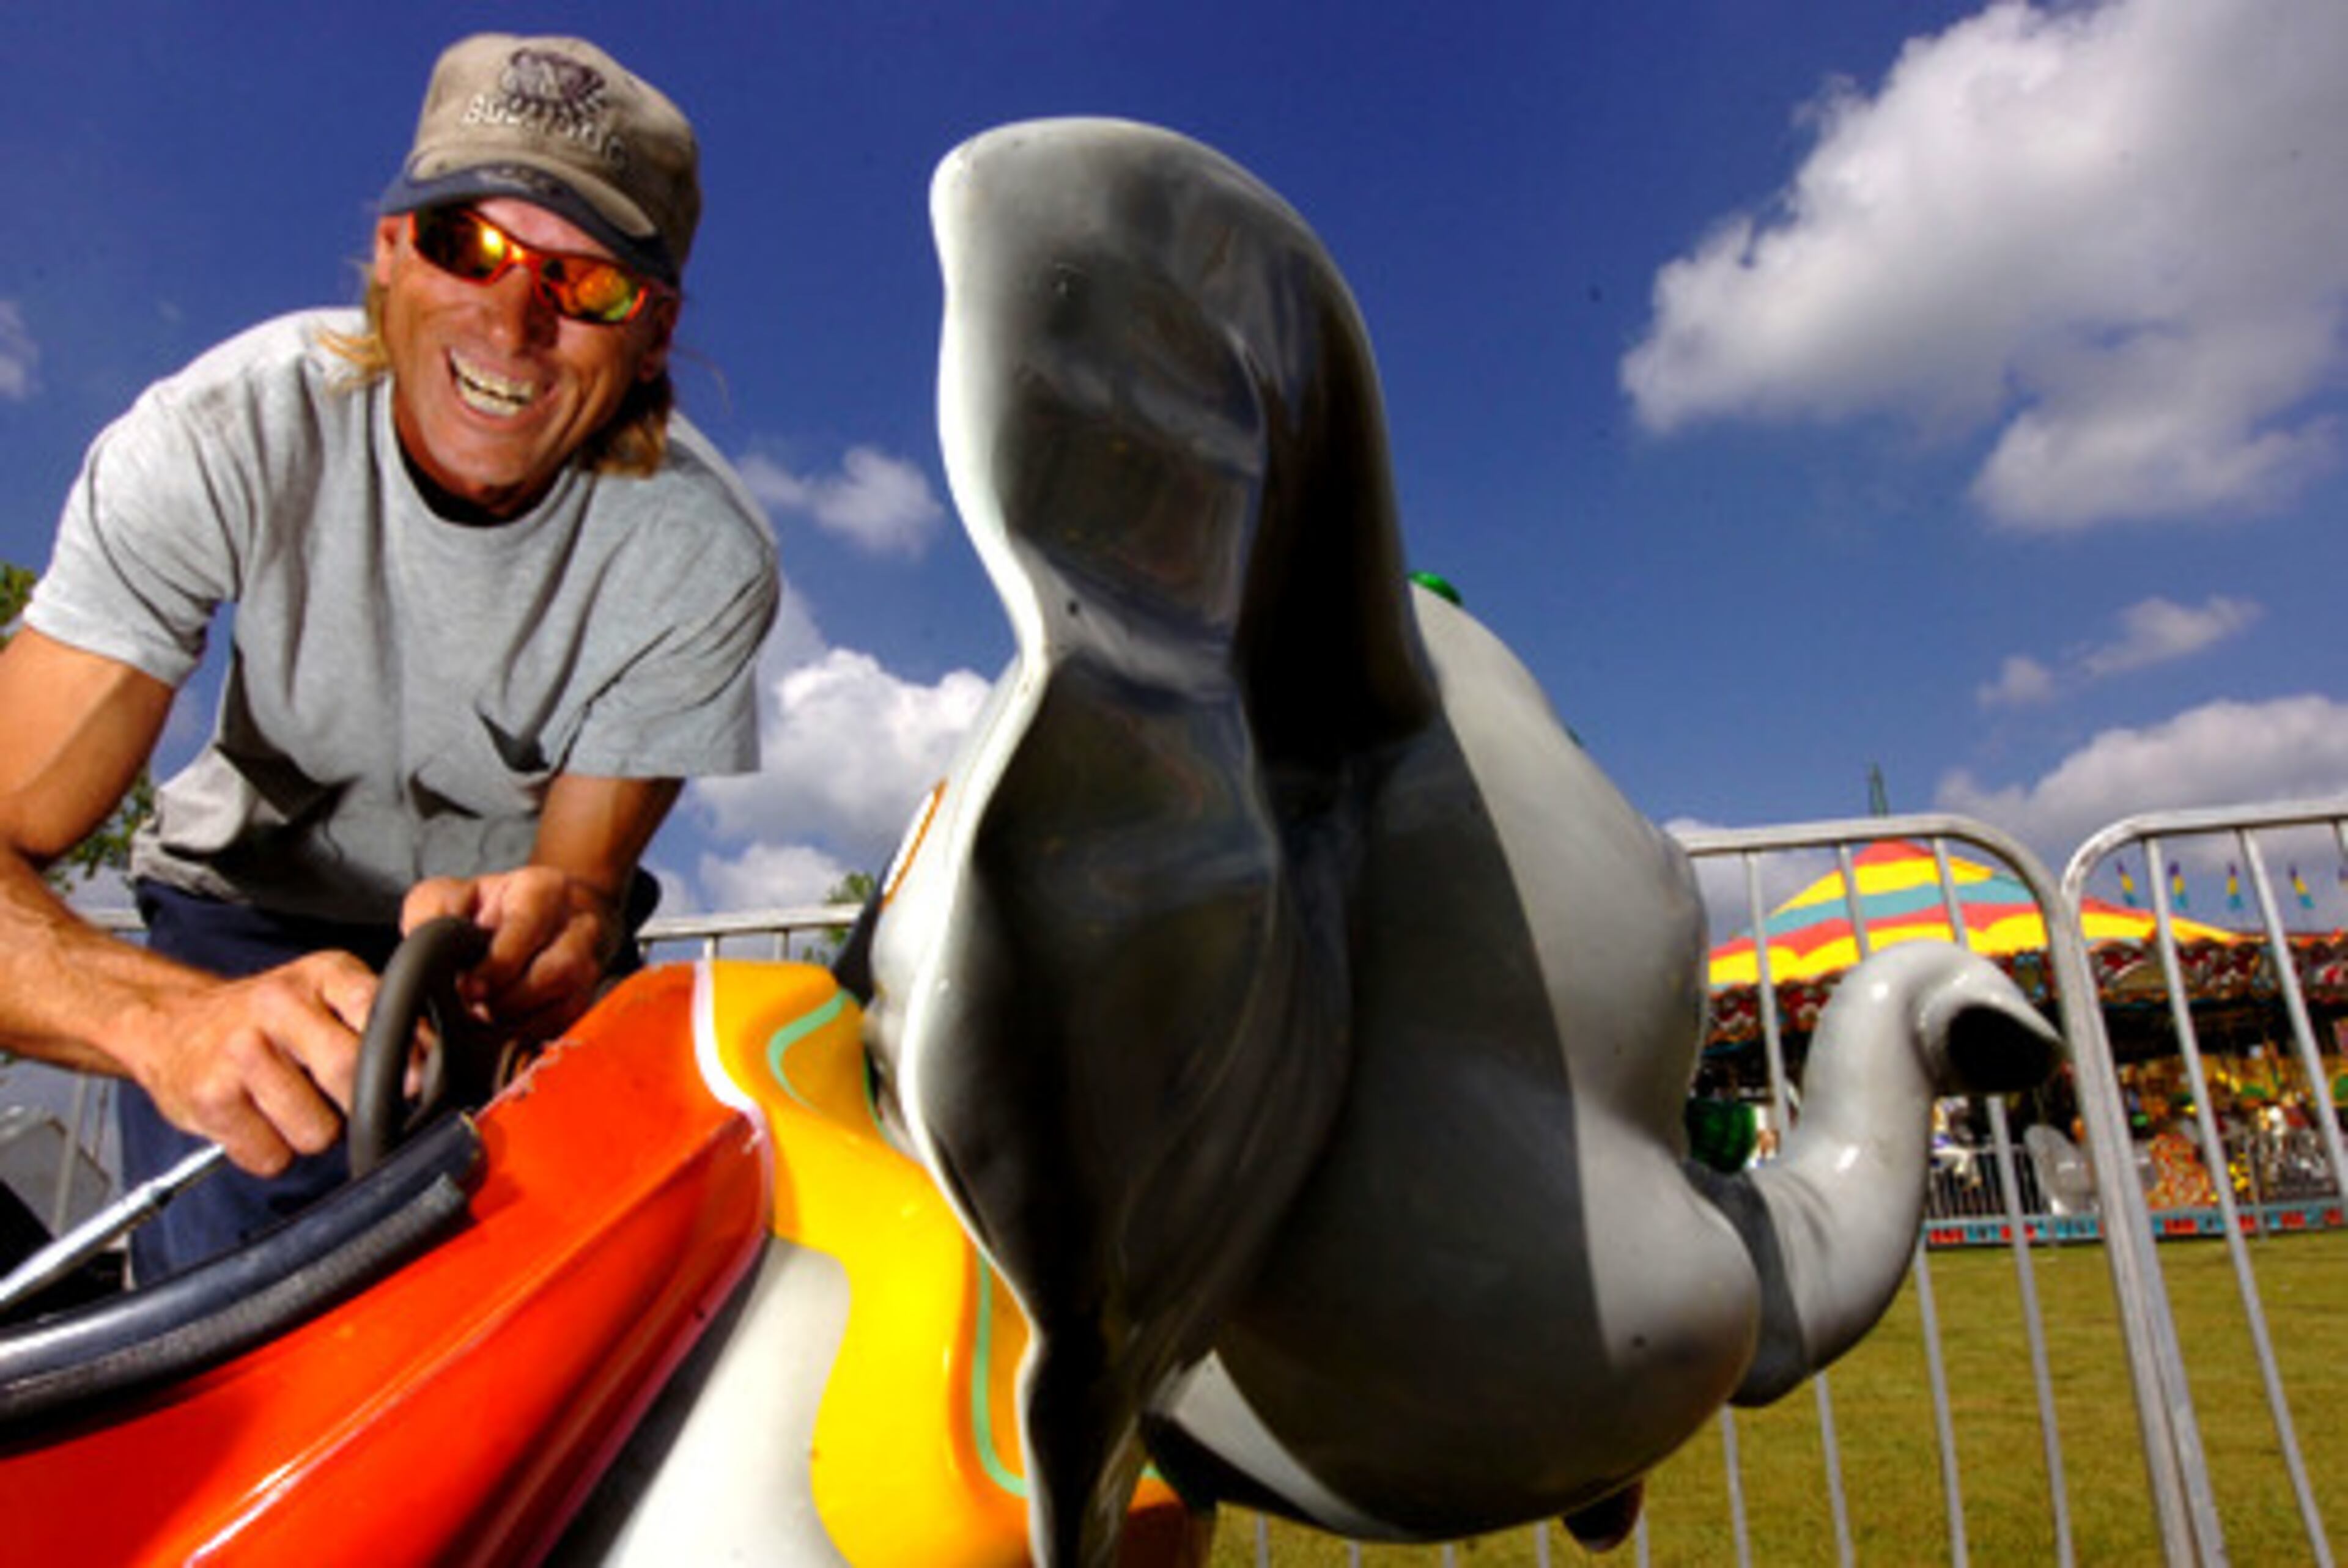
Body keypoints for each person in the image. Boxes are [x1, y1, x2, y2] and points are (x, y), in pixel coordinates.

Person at [0, 34, 778, 1281]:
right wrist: (164, 1016)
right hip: (237, 916)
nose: (514, 320)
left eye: (587, 284)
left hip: (475, 956)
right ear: (388, 251)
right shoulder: (221, 431)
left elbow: (576, 888)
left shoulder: (703, 560)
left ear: (654, 332)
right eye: (471, 246)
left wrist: (556, 929)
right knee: (239, 1309)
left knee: (581, 1290)